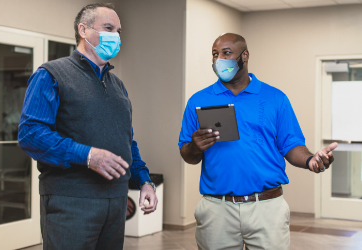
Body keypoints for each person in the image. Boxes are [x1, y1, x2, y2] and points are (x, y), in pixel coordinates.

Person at [178, 33, 337, 250]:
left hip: (267, 207)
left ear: (245, 56)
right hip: (217, 209)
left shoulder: (275, 98)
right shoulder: (198, 100)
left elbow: (291, 144)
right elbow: (187, 155)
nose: (219, 60)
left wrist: (311, 160)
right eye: (215, 55)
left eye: (226, 53)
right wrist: (194, 147)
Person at [18, 3, 157, 250]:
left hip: (116, 202)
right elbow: (31, 135)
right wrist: (88, 155)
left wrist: (144, 181)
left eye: (118, 31)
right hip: (71, 202)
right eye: (108, 28)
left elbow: (127, 142)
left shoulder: (118, 86)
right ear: (83, 30)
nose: (115, 36)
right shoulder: (51, 75)